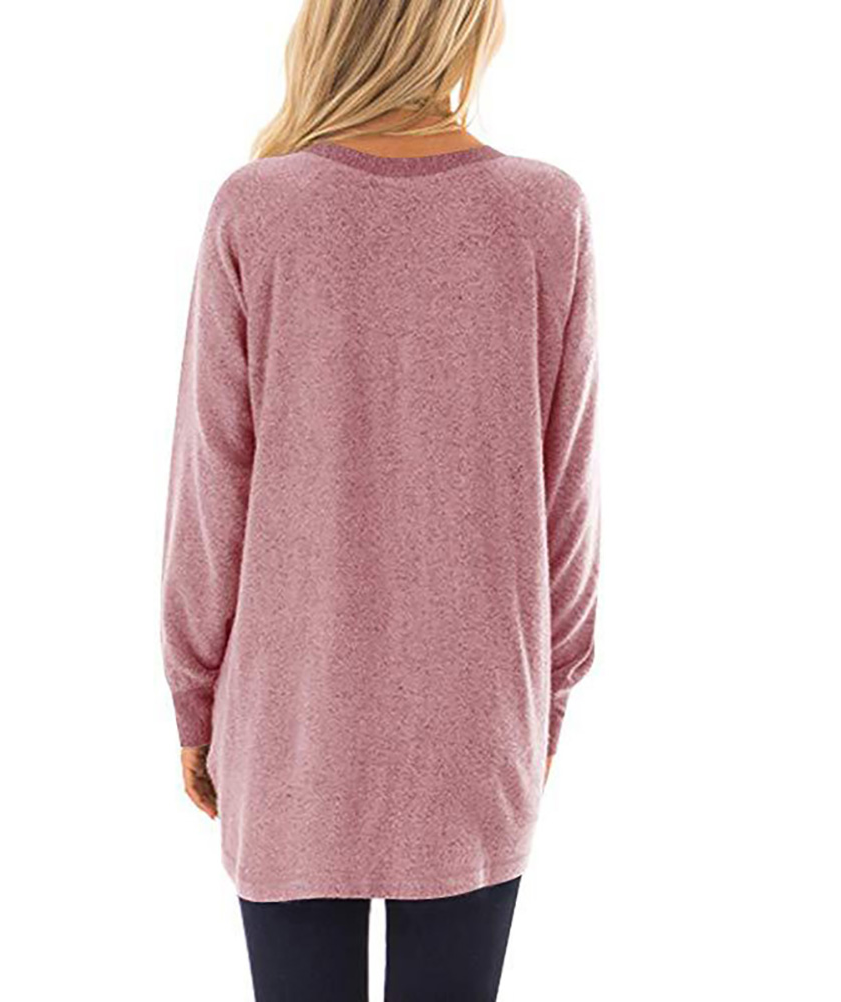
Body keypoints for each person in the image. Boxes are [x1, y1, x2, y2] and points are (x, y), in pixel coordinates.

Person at [159, 0, 601, 998]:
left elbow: (210, 489)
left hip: (291, 720)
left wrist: (194, 693)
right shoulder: (545, 211)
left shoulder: (258, 209)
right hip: (478, 723)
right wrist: (545, 697)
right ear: (463, 27)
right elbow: (567, 496)